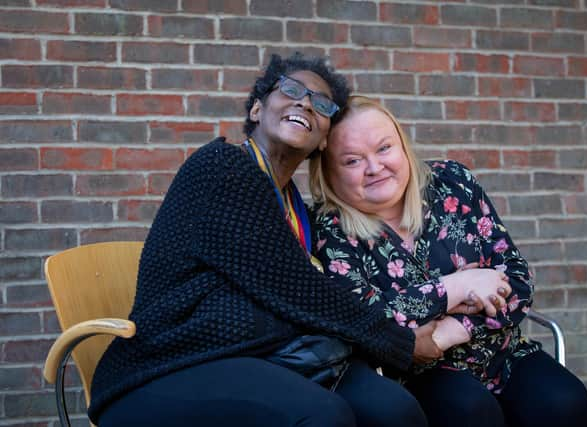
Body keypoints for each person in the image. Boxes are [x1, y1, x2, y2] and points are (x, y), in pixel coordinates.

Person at [87, 54, 445, 427]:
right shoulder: (221, 168)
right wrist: (399, 342)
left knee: (395, 410)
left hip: (264, 357)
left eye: (321, 103)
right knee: (324, 417)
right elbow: (299, 289)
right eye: (290, 90)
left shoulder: (295, 206)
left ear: (324, 139)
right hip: (167, 366)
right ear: (258, 109)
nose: (305, 102)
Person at [310, 95, 587, 427]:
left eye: (384, 148)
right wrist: (455, 287)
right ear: (330, 172)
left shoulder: (451, 181)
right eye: (353, 160)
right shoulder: (331, 228)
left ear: (402, 145)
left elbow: (516, 279)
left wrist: (449, 331)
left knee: (564, 403)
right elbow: (366, 320)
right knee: (469, 412)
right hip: (417, 371)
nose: (374, 168)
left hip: (501, 350)